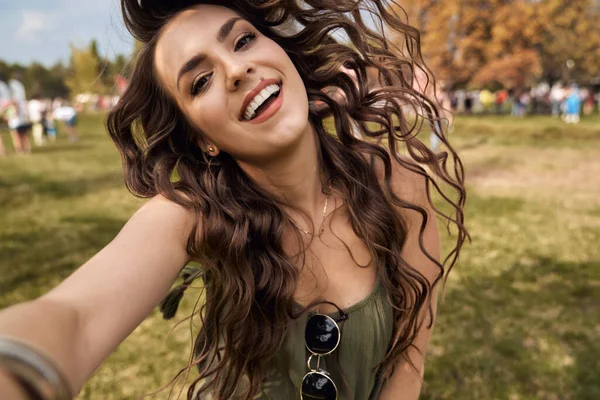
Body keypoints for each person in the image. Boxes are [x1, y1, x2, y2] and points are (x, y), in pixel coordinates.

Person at [0, 1, 468, 399]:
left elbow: (408, 364)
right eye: (200, 81)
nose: (237, 69)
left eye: (242, 41)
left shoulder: (400, 187)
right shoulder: (194, 217)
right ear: (204, 139)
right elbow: (76, 318)